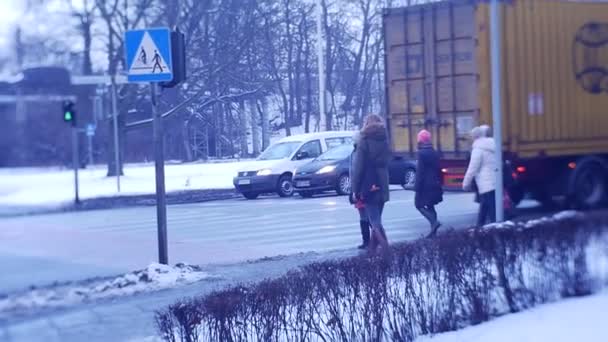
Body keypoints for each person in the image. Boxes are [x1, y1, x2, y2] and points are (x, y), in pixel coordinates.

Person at [351, 114, 391, 255]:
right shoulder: (385, 139)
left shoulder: (364, 141)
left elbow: (358, 168)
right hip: (383, 183)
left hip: (368, 184)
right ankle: (372, 251)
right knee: (377, 218)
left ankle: (386, 249)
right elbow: (387, 162)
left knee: (374, 222)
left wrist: (355, 189)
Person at [462, 126, 497, 226]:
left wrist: (465, 183)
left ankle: (494, 230)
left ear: (475, 137)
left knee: (491, 210)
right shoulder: (492, 145)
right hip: (494, 182)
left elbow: (472, 168)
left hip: (485, 183)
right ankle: (480, 227)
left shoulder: (478, 149)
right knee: (485, 207)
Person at [414, 129, 443, 238]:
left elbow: (420, 172)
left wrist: (416, 186)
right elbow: (438, 169)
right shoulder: (434, 152)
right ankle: (433, 231)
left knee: (418, 205)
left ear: (420, 140)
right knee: (430, 206)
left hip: (424, 185)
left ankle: (434, 222)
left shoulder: (421, 153)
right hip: (434, 183)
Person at [348, 132, 370, 249]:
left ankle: (374, 240)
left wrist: (355, 190)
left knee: (367, 215)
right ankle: (368, 240)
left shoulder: (360, 152)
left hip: (361, 188)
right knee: (363, 214)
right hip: (357, 187)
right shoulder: (355, 151)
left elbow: (358, 171)